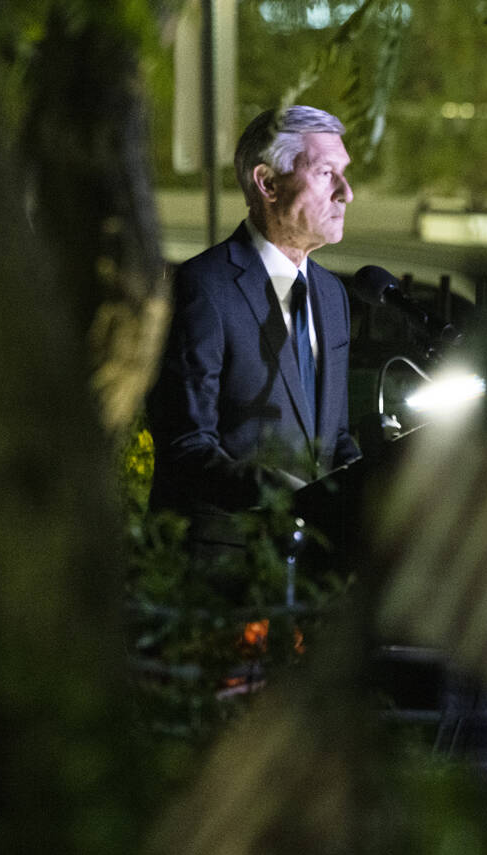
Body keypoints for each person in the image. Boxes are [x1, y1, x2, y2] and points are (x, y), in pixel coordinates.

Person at [147, 105, 360, 546]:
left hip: (310, 565)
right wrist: (277, 493)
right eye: (325, 173)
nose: (346, 193)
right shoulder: (203, 287)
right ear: (267, 183)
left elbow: (333, 436)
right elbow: (187, 445)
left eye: (344, 173)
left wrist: (367, 480)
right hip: (224, 561)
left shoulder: (332, 296)